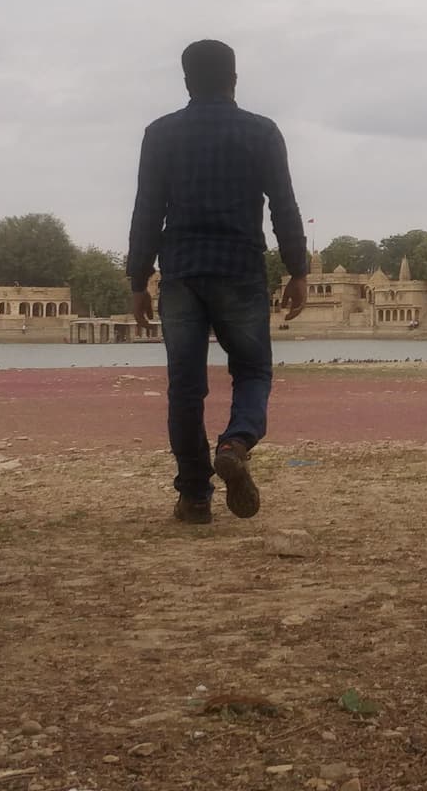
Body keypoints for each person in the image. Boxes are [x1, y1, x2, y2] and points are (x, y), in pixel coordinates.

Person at [129, 39, 308, 525]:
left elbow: (148, 210)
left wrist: (138, 277)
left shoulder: (161, 134)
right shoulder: (262, 132)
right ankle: (235, 441)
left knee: (185, 389)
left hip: (183, 271)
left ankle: (194, 497)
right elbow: (284, 206)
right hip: (240, 268)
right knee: (252, 372)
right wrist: (298, 270)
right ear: (234, 78)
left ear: (187, 81)